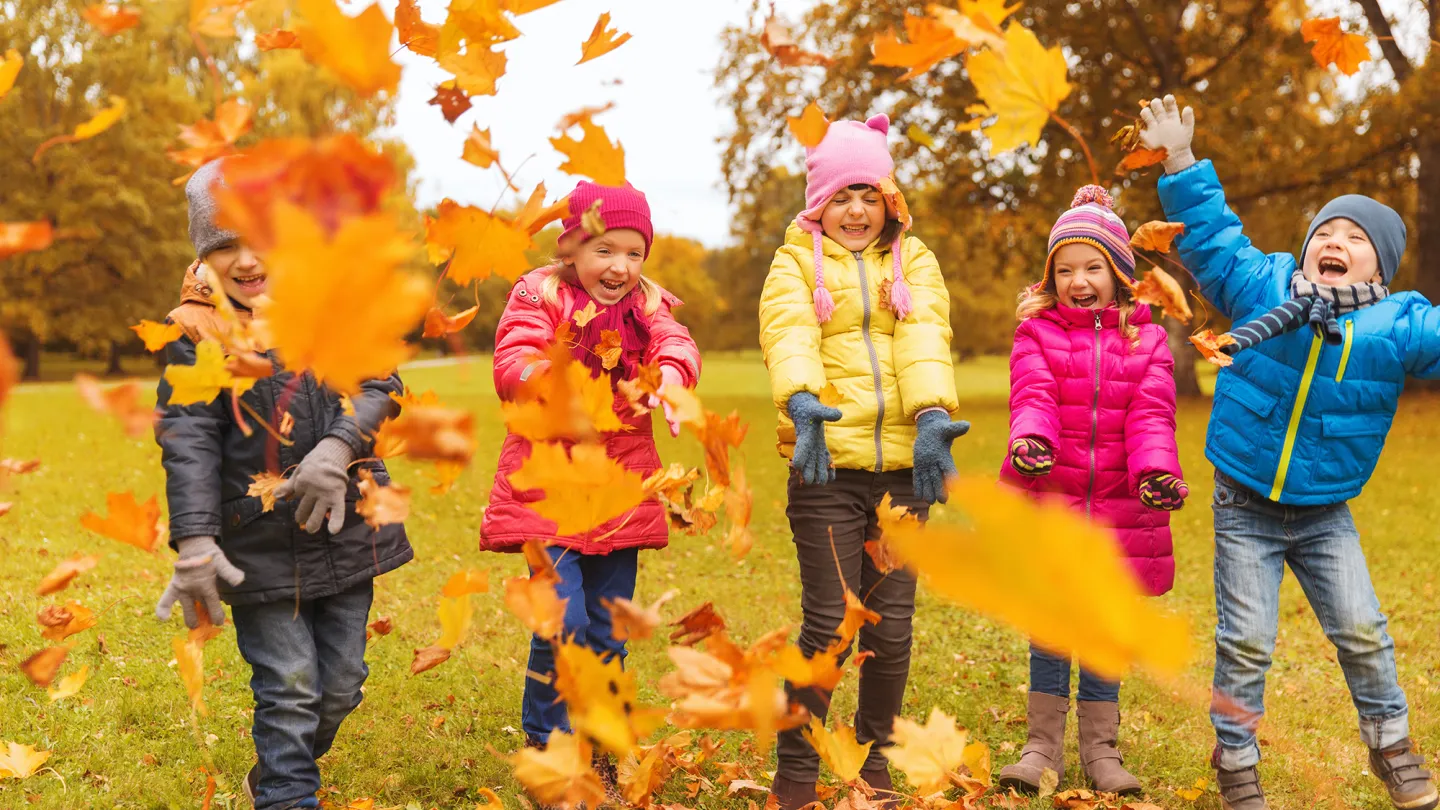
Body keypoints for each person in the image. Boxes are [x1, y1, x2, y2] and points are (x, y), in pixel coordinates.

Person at [1142, 93, 1439, 810]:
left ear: (1383, 264)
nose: (1335, 240)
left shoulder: (1398, 323)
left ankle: (1392, 748)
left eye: (1354, 236)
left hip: (1325, 512)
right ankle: (1237, 763)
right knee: (1246, 642)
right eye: (1325, 231)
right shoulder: (1266, 285)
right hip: (1243, 503)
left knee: (1364, 633)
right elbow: (1211, 239)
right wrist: (1180, 161)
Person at [154, 159, 412, 809]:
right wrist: (194, 542)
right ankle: (289, 796)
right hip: (256, 543)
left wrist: (337, 445)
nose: (246, 260)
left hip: (344, 529)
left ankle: (274, 775)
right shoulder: (196, 337)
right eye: (225, 246)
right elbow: (188, 441)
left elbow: (380, 384)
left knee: (341, 685)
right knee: (290, 690)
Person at [758, 113, 967, 808]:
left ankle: (874, 762)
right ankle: (796, 770)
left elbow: (925, 339)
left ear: (890, 201)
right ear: (819, 203)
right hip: (826, 472)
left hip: (905, 472)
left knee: (892, 627)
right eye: (841, 196)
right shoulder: (794, 263)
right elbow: (789, 333)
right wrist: (802, 402)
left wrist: (933, 416)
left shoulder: (916, 262)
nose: (856, 210)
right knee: (829, 625)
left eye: (869, 196)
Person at [478, 181, 701, 796]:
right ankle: (549, 752)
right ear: (572, 248)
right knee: (563, 621)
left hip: (619, 489)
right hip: (548, 485)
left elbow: (674, 344)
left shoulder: (649, 304)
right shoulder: (539, 294)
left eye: (634, 253)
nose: (620, 267)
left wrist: (675, 378)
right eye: (605, 250)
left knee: (607, 629)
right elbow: (513, 358)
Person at [995, 184, 1186, 796]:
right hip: (1053, 498)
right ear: (1052, 279)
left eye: (1093, 267)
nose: (1079, 280)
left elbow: (1152, 414)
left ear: (1120, 274)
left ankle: (1102, 749)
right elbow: (1033, 397)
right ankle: (1041, 747)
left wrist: (1156, 472)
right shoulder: (1037, 335)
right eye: (1066, 269)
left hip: (1121, 508)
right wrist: (1031, 442)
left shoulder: (1148, 340)